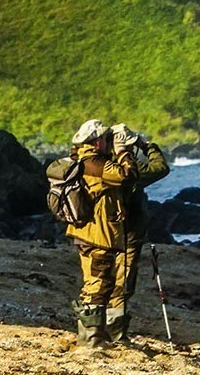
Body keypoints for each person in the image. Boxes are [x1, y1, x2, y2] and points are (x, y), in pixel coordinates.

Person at [64, 118, 139, 346]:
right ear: (97, 143)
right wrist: (123, 152)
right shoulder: (96, 165)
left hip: (89, 233)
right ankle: (90, 338)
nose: (109, 143)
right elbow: (128, 176)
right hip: (96, 235)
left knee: (99, 283)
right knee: (96, 284)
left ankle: (95, 335)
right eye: (106, 139)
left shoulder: (83, 160)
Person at [104, 122, 170, 343]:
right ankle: (116, 333)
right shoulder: (129, 170)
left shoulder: (100, 165)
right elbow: (161, 168)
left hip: (103, 233)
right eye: (130, 145)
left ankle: (98, 329)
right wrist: (147, 145)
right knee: (122, 284)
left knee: (102, 281)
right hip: (128, 234)